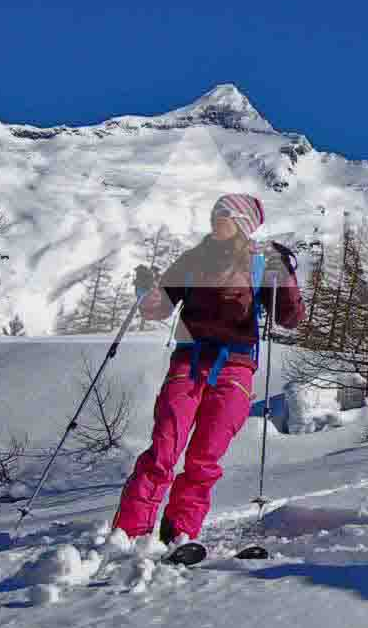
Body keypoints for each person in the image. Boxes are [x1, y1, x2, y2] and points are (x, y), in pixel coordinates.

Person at [113, 194, 304, 546]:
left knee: (205, 456)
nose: (216, 219)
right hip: (189, 359)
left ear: (243, 223)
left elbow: (289, 317)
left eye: (225, 214)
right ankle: (129, 531)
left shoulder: (261, 264)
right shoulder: (192, 260)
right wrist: (146, 292)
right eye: (215, 212)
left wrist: (286, 276)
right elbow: (158, 309)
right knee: (164, 447)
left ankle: (180, 531)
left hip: (236, 365)